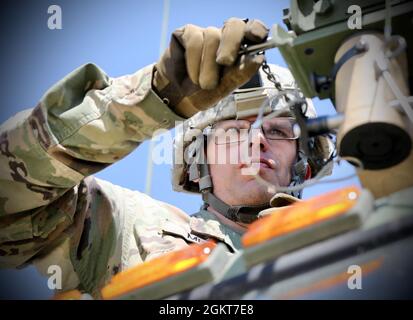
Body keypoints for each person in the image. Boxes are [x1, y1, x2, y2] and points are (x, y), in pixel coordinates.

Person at [0, 18, 332, 297]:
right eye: (233, 131)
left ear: (303, 162)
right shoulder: (128, 231)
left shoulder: (350, 244)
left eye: (276, 131)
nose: (257, 140)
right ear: (200, 159)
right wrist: (155, 96)